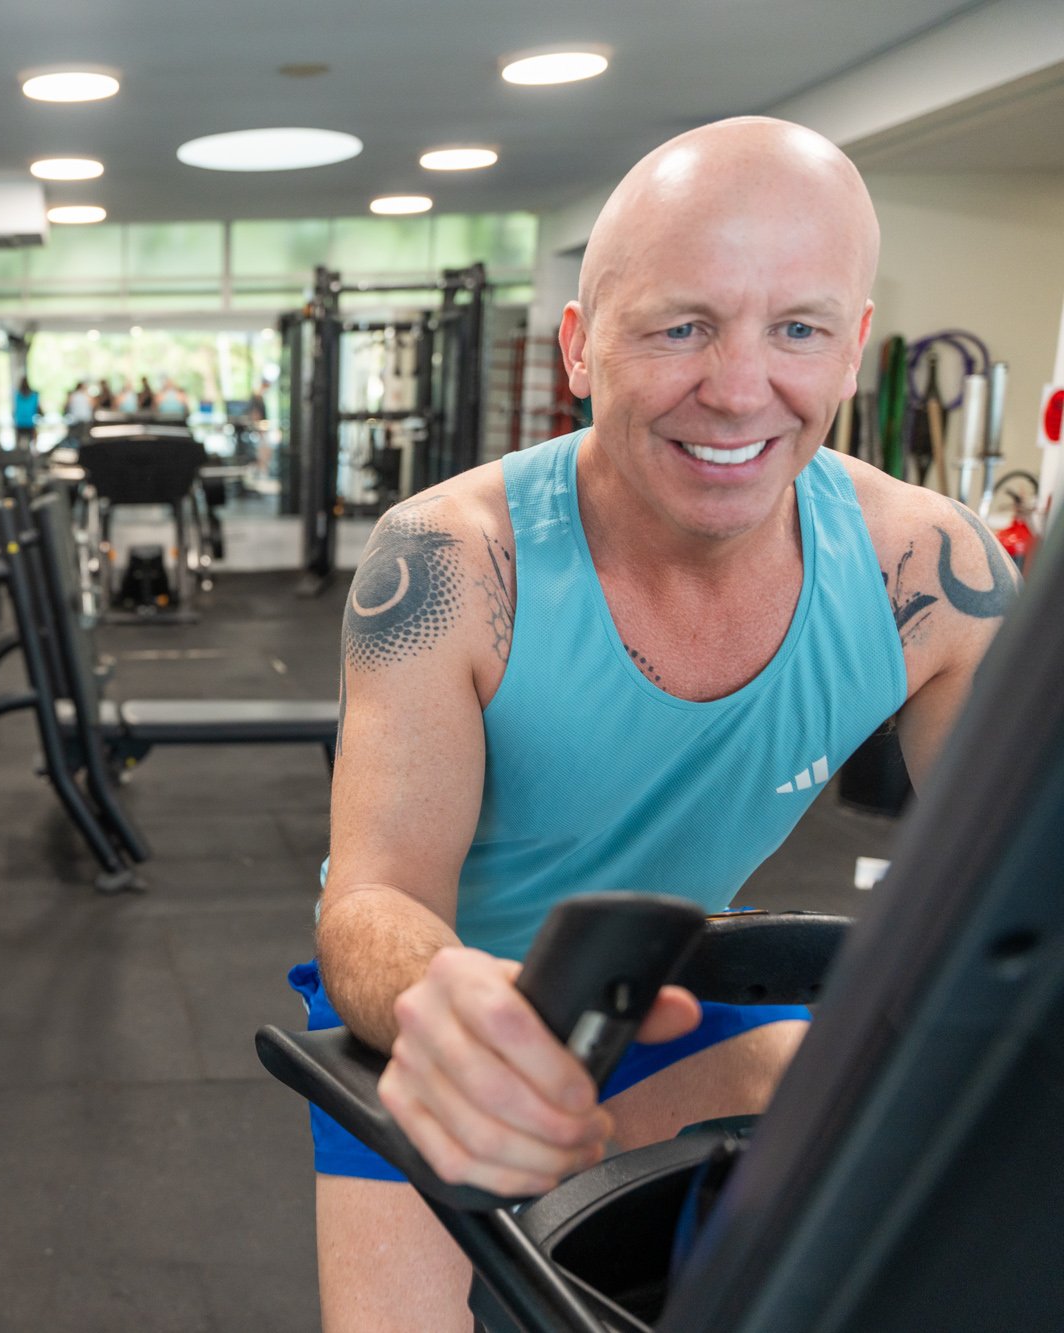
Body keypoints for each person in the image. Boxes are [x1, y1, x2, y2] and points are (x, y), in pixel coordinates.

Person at [298, 117, 1019, 1331]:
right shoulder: (450, 561)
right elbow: (370, 902)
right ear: (581, 347)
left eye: (794, 329)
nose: (738, 389)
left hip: (685, 982)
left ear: (850, 349)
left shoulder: (926, 569)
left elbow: (1017, 892)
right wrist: (454, 1010)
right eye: (679, 326)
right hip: (436, 1006)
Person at [12, 375, 41, 448]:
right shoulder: (34, 395)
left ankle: (17, 449)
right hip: (29, 425)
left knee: (18, 440)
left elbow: (15, 410)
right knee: (35, 436)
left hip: (19, 424)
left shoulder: (17, 395)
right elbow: (37, 410)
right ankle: (35, 450)